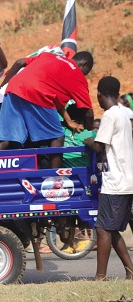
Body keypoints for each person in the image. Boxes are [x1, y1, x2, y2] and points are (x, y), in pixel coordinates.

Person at [0, 51, 94, 168]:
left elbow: (20, 62)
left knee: (4, 138)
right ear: (84, 65)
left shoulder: (50, 55)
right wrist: (89, 131)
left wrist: (1, 88)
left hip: (13, 89)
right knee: (57, 137)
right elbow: (88, 112)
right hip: (38, 93)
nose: (84, 75)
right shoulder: (78, 76)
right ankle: (54, 179)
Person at [83, 76, 133, 280]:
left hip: (116, 182)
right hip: (125, 178)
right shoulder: (124, 112)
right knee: (111, 230)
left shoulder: (110, 115)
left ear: (100, 95)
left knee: (103, 229)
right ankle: (130, 272)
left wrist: (88, 139)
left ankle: (100, 277)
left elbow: (98, 145)